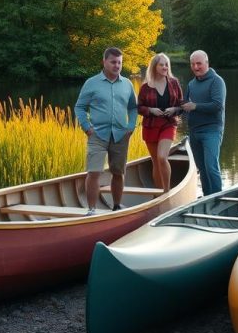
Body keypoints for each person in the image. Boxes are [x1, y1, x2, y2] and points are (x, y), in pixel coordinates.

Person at [74, 47, 138, 216]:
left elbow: (133, 107)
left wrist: (131, 126)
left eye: (119, 62)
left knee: (118, 172)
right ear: (104, 62)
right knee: (94, 171)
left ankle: (117, 206)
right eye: (113, 62)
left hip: (120, 135)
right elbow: (79, 107)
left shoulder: (127, 84)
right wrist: (87, 127)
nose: (117, 65)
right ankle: (92, 210)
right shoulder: (91, 83)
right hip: (97, 135)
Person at [137, 53, 184, 192]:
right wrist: (151, 110)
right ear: (154, 66)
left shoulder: (174, 82)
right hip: (150, 126)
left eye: (166, 64)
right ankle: (159, 196)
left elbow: (182, 105)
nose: (164, 67)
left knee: (162, 157)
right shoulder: (145, 87)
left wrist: (175, 109)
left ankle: (167, 191)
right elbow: (139, 107)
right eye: (161, 64)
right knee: (156, 162)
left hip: (168, 124)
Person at [181, 50, 226, 195]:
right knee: (202, 168)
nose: (195, 67)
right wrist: (174, 109)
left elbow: (217, 105)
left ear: (207, 63)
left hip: (212, 130)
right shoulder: (191, 84)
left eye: (199, 63)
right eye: (193, 64)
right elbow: (186, 105)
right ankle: (208, 197)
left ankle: (218, 199)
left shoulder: (216, 81)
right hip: (194, 132)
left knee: (211, 166)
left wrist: (195, 106)